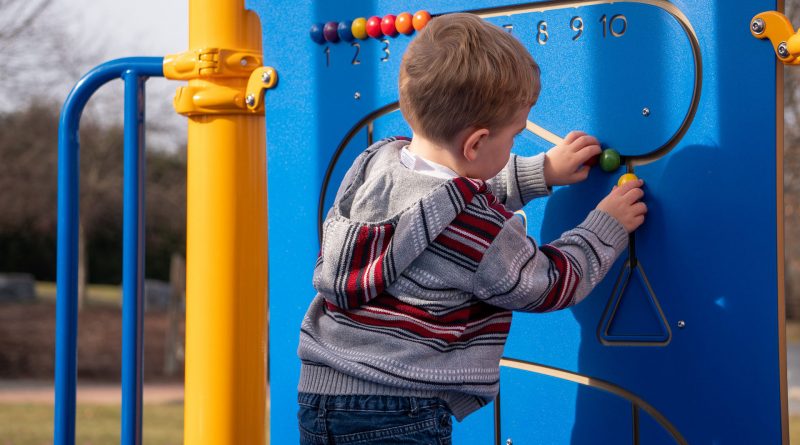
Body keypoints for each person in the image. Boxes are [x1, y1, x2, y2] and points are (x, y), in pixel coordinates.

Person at [296, 12, 646, 444]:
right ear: (477, 143)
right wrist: (605, 226)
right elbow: (547, 284)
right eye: (514, 136)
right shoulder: (474, 229)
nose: (516, 142)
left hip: (322, 395)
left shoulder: (377, 163)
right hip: (401, 409)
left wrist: (541, 172)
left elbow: (440, 205)